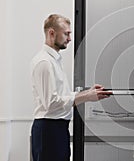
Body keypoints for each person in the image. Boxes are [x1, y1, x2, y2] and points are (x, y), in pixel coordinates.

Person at [30, 14, 111, 161]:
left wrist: (88, 92)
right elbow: (51, 103)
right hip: (49, 130)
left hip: (58, 128)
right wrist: (86, 97)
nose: (70, 38)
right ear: (51, 33)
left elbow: (61, 95)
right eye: (66, 33)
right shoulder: (44, 62)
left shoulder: (54, 61)